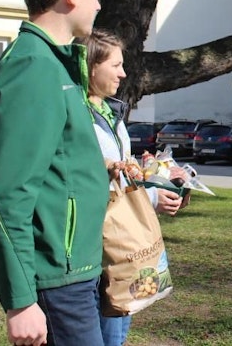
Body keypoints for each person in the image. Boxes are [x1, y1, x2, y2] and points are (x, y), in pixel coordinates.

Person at [0, 0, 107, 346]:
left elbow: (64, 167)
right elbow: (8, 195)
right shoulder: (33, 66)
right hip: (55, 279)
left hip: (73, 271)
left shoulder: (55, 63)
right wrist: (20, 301)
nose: (99, 6)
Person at [78, 29, 190, 346]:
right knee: (108, 333)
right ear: (91, 66)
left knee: (120, 326)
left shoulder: (109, 112)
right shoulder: (79, 117)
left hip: (121, 245)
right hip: (98, 249)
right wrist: (151, 196)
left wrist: (155, 173)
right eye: (115, 65)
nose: (123, 73)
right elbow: (94, 180)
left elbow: (122, 172)